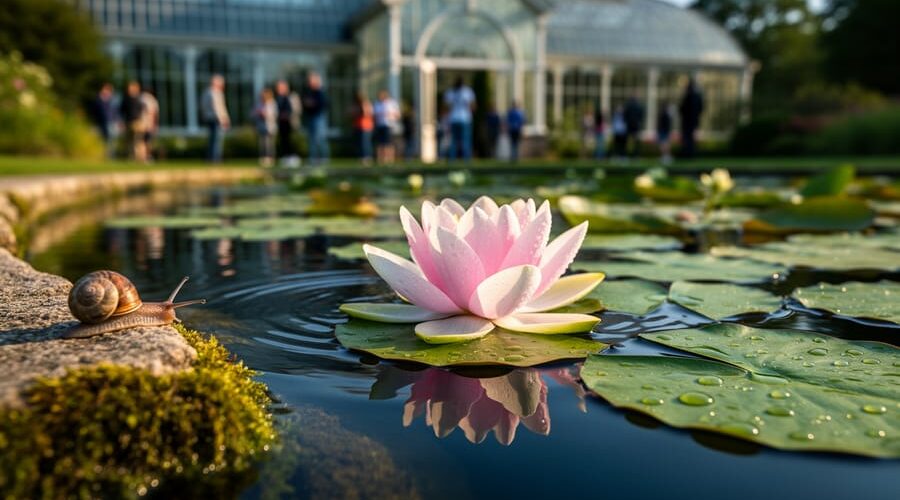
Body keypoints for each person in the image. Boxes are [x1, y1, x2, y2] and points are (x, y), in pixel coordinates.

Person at [443, 77, 476, 162]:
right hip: (465, 119)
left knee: (454, 141)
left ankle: (452, 160)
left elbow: (446, 107)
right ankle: (466, 160)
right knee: (465, 141)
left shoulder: (450, 92)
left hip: (454, 118)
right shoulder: (468, 92)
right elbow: (473, 106)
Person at [200, 74, 230, 163]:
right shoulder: (216, 93)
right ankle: (216, 158)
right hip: (216, 118)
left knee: (211, 139)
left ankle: (210, 157)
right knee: (217, 139)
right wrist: (224, 119)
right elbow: (218, 107)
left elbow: (202, 106)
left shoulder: (206, 92)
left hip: (209, 118)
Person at [301, 72, 329, 165]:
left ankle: (324, 158)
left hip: (319, 117)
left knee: (320, 138)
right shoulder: (308, 92)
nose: (309, 82)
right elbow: (304, 103)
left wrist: (312, 103)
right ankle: (313, 158)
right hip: (310, 117)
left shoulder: (321, 92)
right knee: (312, 139)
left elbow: (323, 105)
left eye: (311, 80)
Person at [119, 81, 146, 162]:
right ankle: (131, 157)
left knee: (138, 140)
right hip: (128, 122)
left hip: (137, 122)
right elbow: (122, 111)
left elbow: (143, 111)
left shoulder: (139, 99)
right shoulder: (126, 99)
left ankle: (140, 157)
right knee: (129, 141)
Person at [373, 90, 400, 165]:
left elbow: (397, 115)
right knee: (380, 143)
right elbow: (374, 114)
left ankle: (389, 158)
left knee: (388, 143)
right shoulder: (377, 104)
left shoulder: (392, 103)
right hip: (379, 125)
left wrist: (389, 115)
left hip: (389, 125)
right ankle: (380, 159)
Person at [679, 78, 704, 159]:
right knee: (691, 138)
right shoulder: (697, 96)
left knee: (687, 138)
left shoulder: (688, 96)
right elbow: (701, 108)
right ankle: (691, 153)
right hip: (694, 121)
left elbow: (682, 108)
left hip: (687, 121)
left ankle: (687, 153)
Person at [90, 83, 117, 158]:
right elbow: (94, 112)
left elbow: (115, 112)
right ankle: (102, 155)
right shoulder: (98, 100)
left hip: (110, 122)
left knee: (110, 140)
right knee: (101, 140)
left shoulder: (112, 100)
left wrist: (117, 120)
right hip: (100, 122)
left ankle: (110, 156)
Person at [254, 88, 278, 166]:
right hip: (261, 126)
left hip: (270, 126)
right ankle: (263, 157)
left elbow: (275, 114)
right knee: (262, 143)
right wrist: (258, 113)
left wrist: (266, 114)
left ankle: (270, 158)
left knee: (270, 143)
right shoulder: (260, 104)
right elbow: (253, 113)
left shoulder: (272, 103)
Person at [274, 80, 296, 164]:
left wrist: (284, 115)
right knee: (282, 140)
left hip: (286, 123)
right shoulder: (277, 98)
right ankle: (284, 156)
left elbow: (289, 110)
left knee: (288, 140)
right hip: (280, 122)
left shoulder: (286, 98)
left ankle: (291, 157)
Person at [351, 92, 374, 165]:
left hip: (366, 126)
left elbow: (367, 113)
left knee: (365, 143)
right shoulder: (355, 105)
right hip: (358, 126)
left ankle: (367, 157)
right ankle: (361, 157)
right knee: (359, 143)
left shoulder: (366, 104)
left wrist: (362, 107)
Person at [140, 87, 159, 162]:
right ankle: (146, 156)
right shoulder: (151, 100)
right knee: (147, 141)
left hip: (143, 123)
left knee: (143, 141)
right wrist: (155, 125)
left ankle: (143, 157)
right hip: (147, 123)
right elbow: (155, 113)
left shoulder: (141, 97)